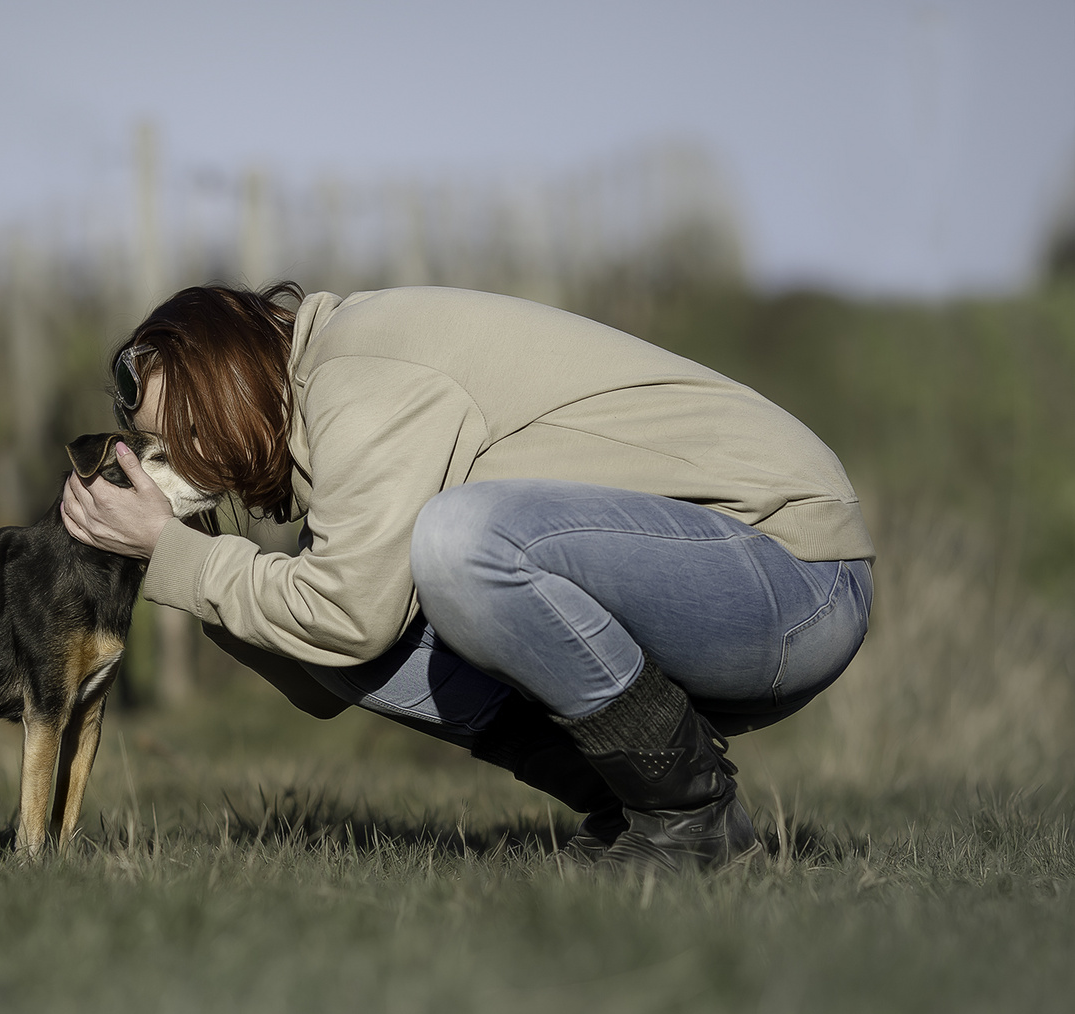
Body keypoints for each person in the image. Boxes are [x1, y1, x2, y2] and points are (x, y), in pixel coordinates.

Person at [61, 283, 873, 874]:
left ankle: (691, 820)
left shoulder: (362, 376)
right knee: (371, 580)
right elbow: (326, 669)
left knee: (458, 542)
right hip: (718, 591)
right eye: (170, 445)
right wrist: (187, 562)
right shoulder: (325, 414)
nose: (196, 461)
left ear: (236, 372)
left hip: (791, 577)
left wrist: (180, 556)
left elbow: (349, 617)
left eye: (196, 428)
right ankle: (635, 807)